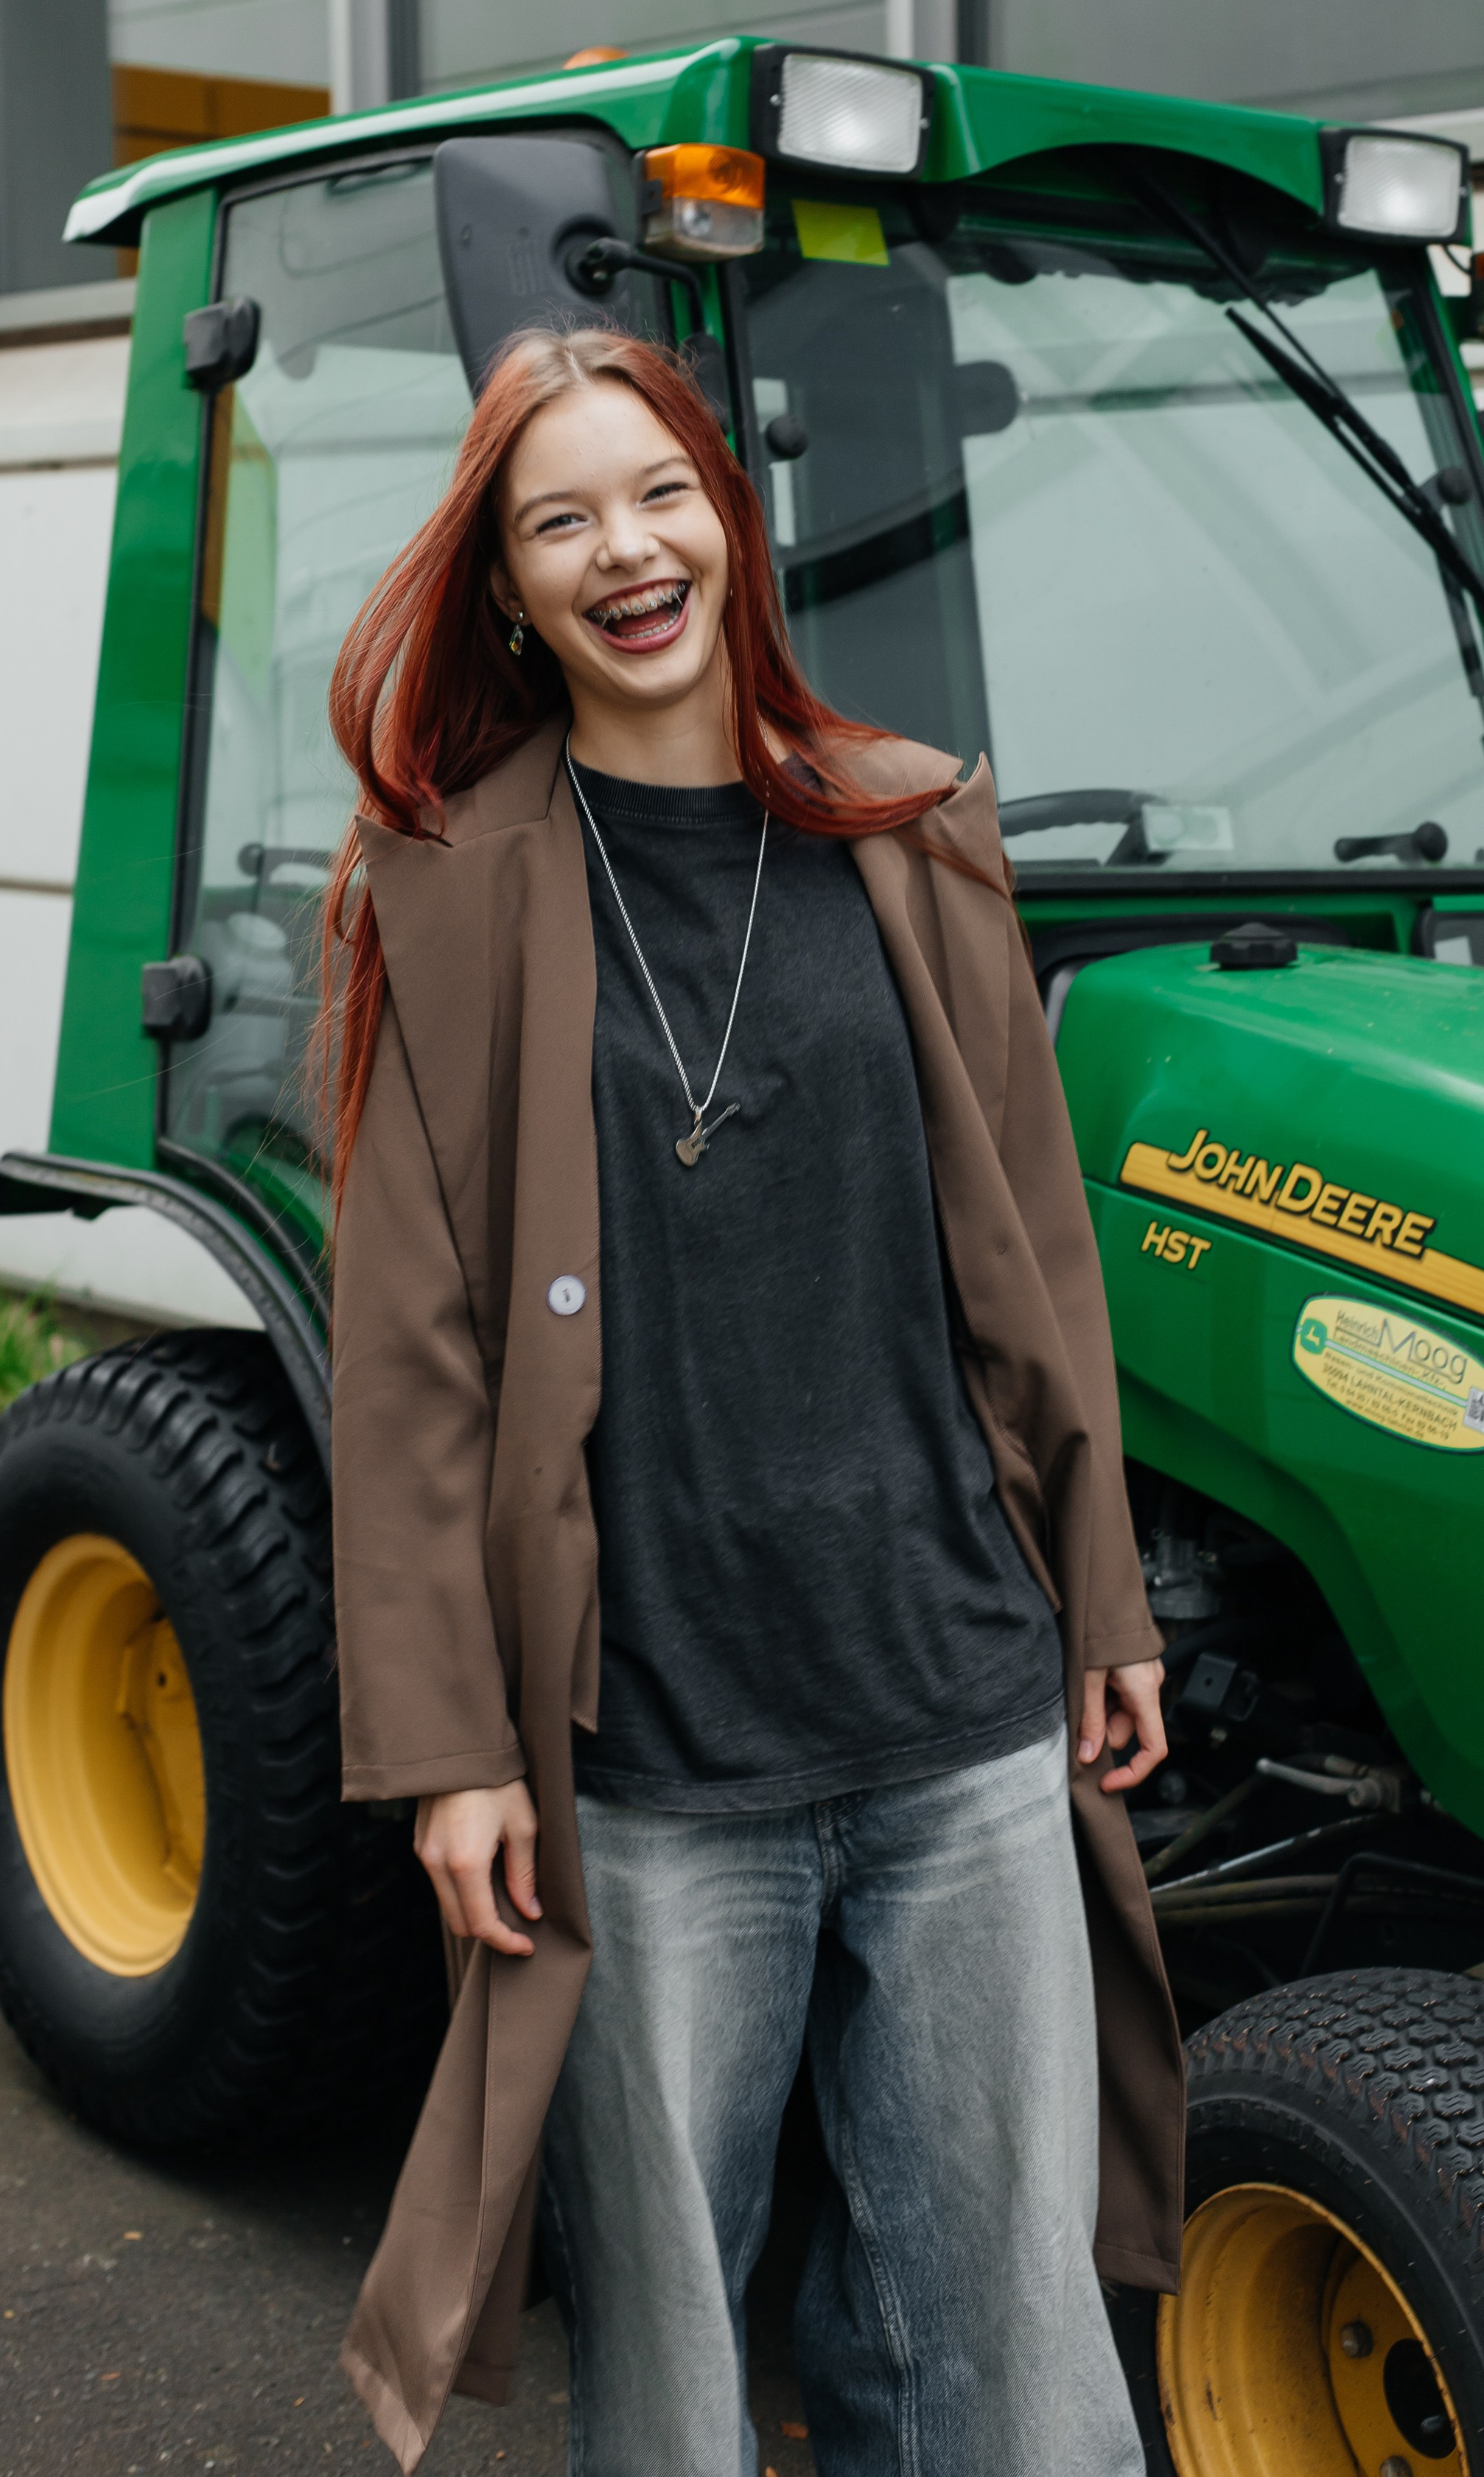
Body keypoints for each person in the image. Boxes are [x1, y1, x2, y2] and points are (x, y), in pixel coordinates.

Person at [322, 325, 1184, 2476]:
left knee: (1011, 2337)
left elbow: (1034, 1271)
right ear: (509, 589)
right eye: (561, 521)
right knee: (679, 2377)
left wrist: (1103, 1603)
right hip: (653, 1761)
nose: (627, 551)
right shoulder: (444, 893)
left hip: (958, 1716)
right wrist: (448, 1753)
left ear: (732, 517)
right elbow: (411, 1357)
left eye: (661, 495)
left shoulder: (914, 829)